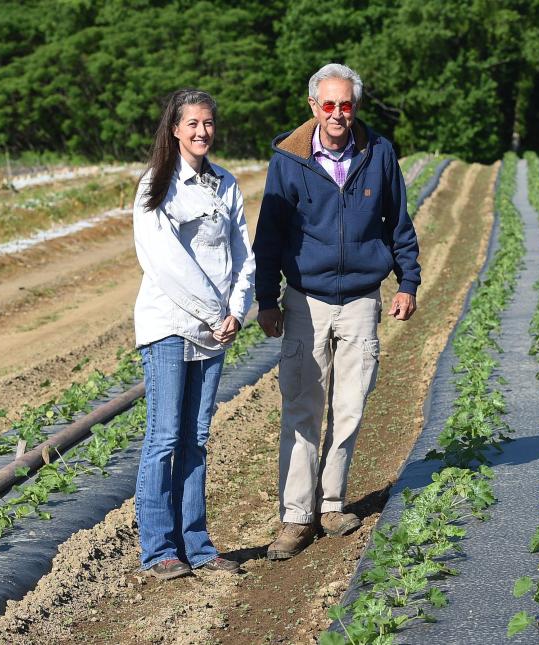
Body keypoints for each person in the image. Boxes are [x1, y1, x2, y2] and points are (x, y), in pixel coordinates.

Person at [253, 63, 420, 560]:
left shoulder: (379, 153)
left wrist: (406, 282)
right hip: (306, 299)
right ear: (313, 107)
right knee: (302, 406)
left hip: (362, 299)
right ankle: (295, 516)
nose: (337, 114)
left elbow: (399, 224)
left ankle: (331, 503)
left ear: (356, 106)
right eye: (328, 105)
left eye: (345, 104)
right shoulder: (289, 159)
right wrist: (267, 298)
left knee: (349, 407)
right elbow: (270, 234)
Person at [132, 89, 255, 579]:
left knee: (196, 439)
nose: (202, 131)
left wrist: (237, 312)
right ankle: (159, 549)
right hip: (170, 325)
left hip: (214, 329)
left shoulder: (224, 184)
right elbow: (167, 263)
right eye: (193, 124)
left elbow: (243, 255)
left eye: (208, 123)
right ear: (174, 129)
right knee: (164, 438)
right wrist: (212, 311)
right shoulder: (155, 186)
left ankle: (198, 546)